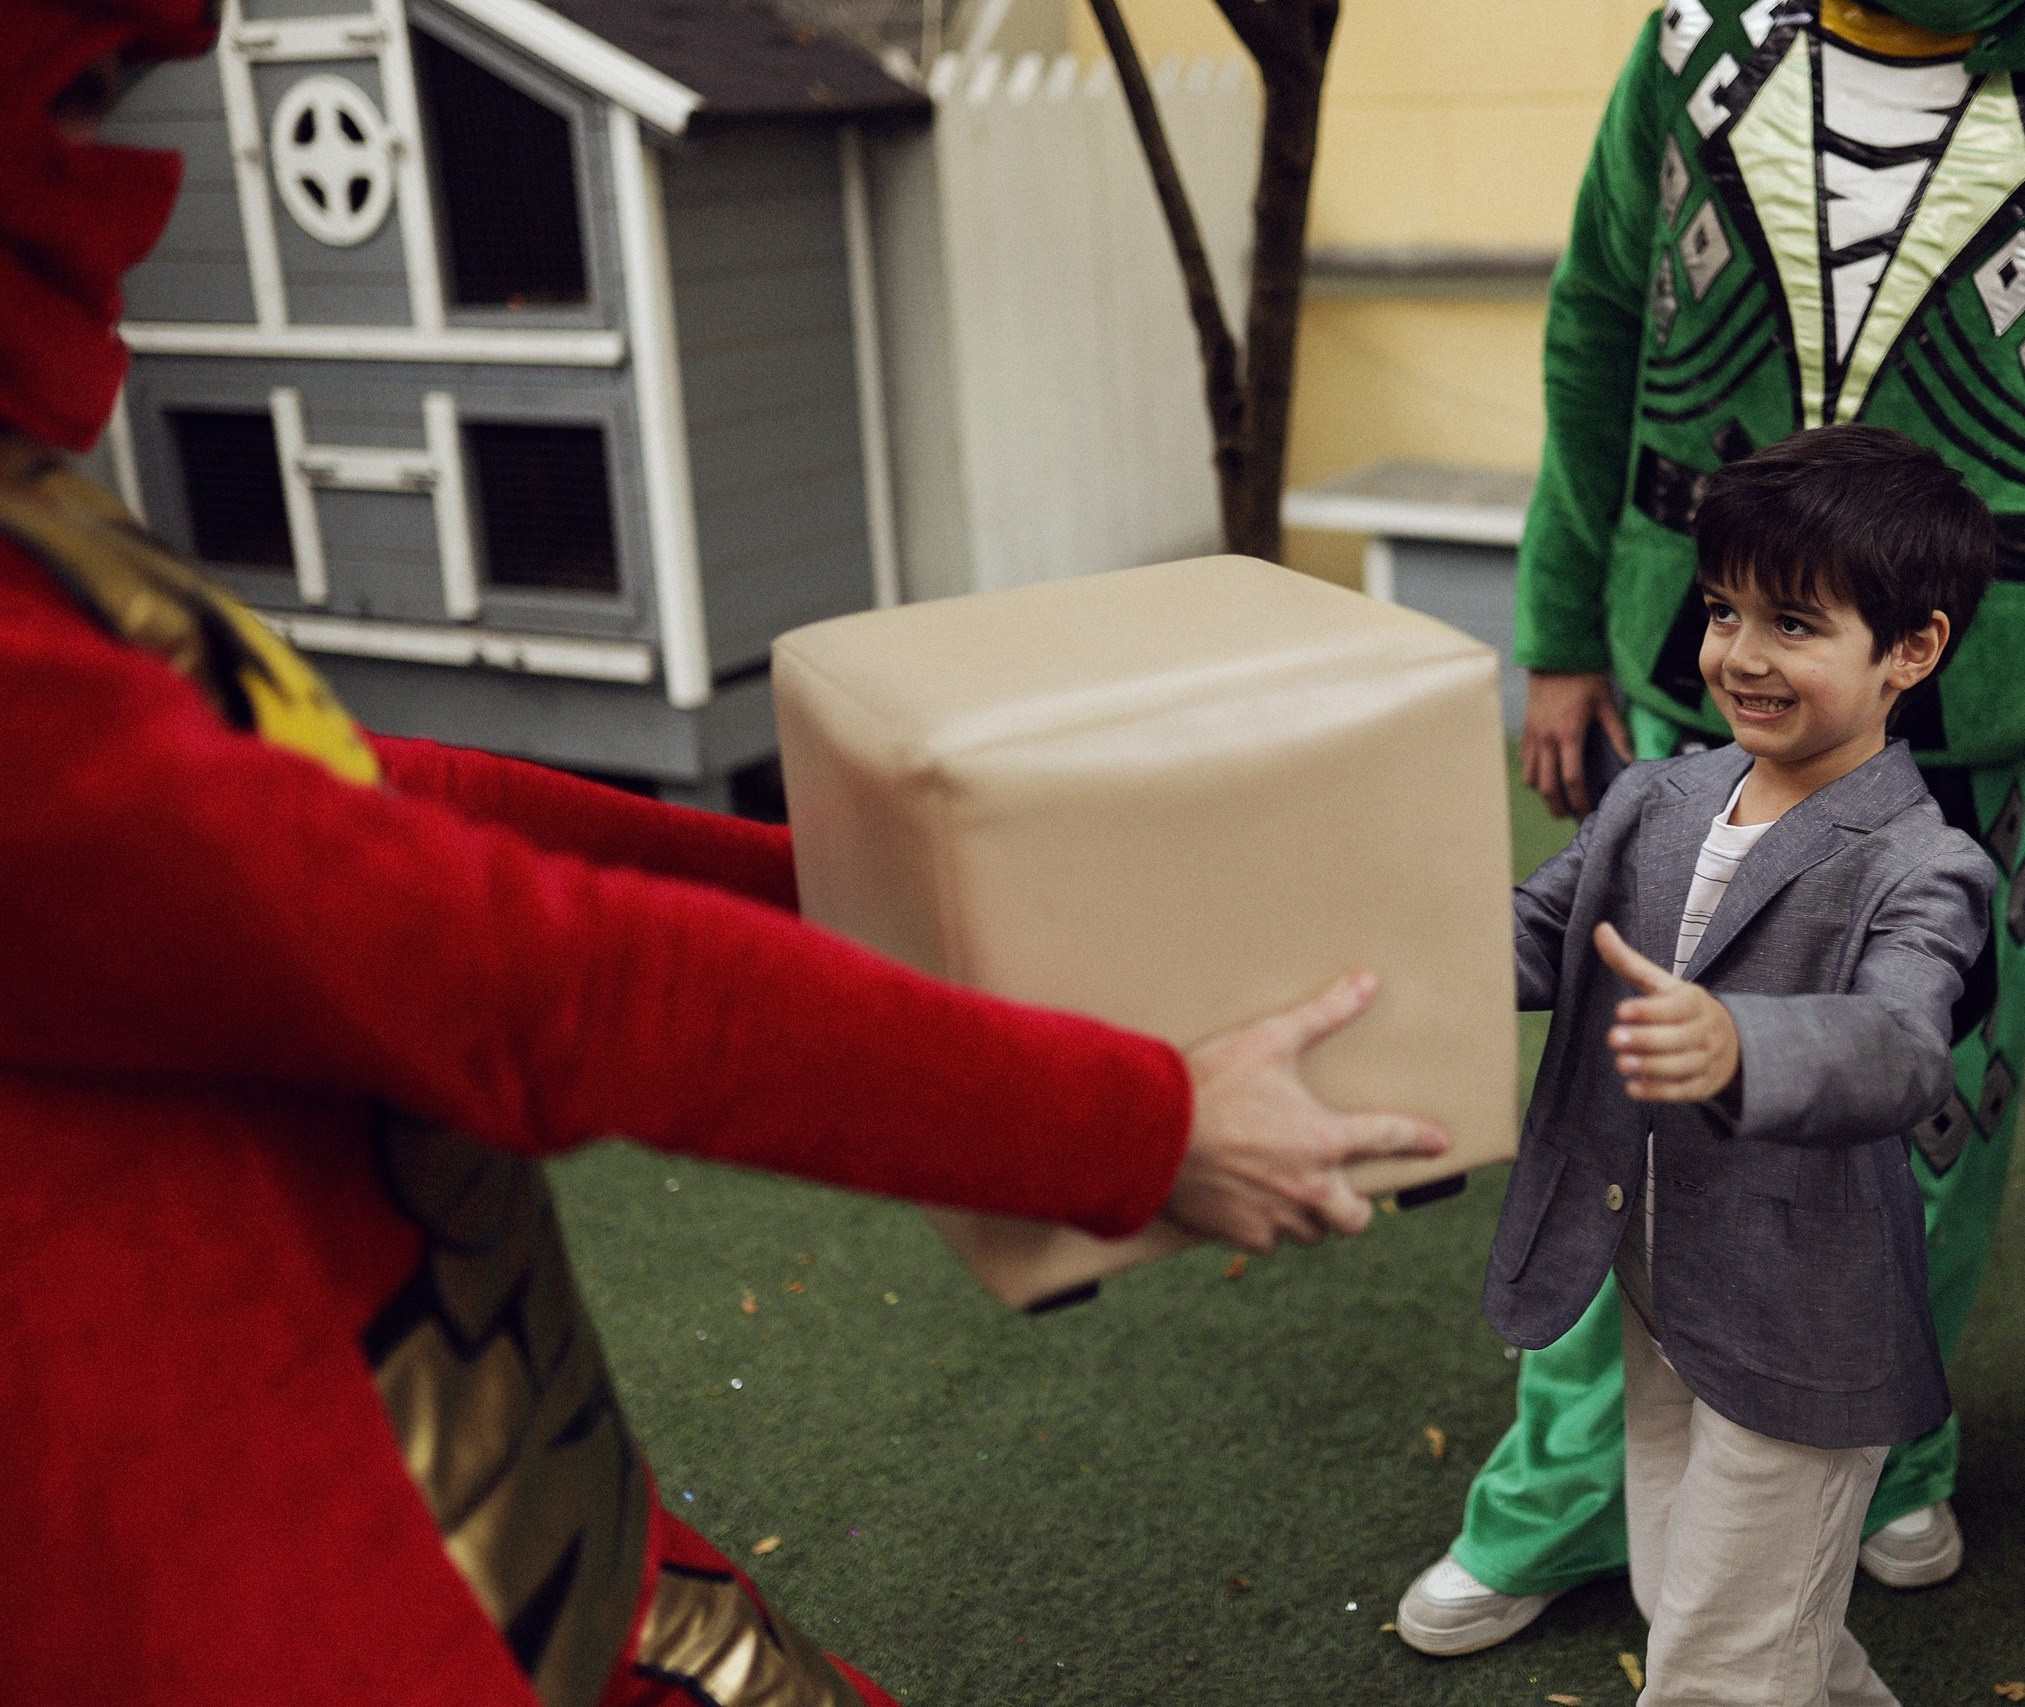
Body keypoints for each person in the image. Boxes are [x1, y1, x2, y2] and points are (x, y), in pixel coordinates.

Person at [0, 6, 1447, 1702]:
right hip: (268, 1568)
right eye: (87, 96)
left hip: (465, 1465)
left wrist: (881, 896)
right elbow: (505, 974)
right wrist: (1142, 1125)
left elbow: (375, 811)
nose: (133, 150)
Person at [1405, 0, 2025, 1646]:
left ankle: (1883, 1433)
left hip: (1976, 696)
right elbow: (1595, 335)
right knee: (1629, 1078)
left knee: (1925, 1100)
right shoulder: (1694, 40)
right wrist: (1561, 631)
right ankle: (1577, 1476)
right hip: (1693, 656)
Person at [1485, 427, 1997, 1703]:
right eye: (1723, 611)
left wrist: (1739, 1042)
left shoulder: (1924, 864)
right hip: (1668, 1295)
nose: (1741, 655)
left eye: (1793, 623)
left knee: (1719, 1663)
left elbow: (1900, 1045)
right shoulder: (1656, 799)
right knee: (1722, 1613)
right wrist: (1398, 938)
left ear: (1911, 653)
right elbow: (1539, 936)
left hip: (1807, 1330)